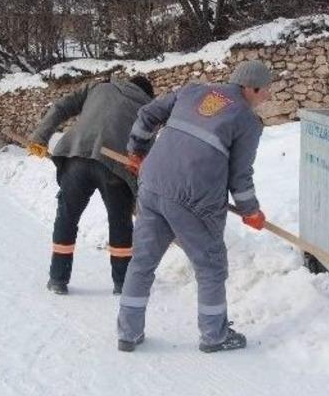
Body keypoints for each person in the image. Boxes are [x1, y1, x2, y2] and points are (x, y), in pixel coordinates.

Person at [116, 60, 272, 353]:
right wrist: (250, 210)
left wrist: (137, 149)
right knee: (210, 266)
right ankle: (215, 335)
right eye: (266, 91)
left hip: (152, 184)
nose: (269, 97)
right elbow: (240, 175)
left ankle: (128, 332)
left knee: (142, 262)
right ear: (251, 88)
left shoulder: (193, 90)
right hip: (194, 198)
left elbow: (148, 114)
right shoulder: (246, 121)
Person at [27, 75, 154, 296]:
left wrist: (40, 136)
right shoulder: (148, 108)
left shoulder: (99, 86)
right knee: (120, 223)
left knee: (67, 217)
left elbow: (61, 107)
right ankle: (123, 283)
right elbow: (144, 152)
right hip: (115, 167)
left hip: (77, 155)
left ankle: (58, 279)